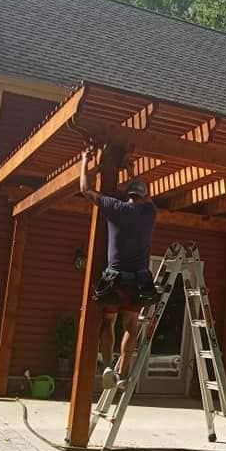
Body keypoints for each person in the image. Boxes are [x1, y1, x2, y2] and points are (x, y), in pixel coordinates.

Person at [80, 147, 157, 388]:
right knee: (131, 326)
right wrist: (131, 169)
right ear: (143, 196)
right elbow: (146, 196)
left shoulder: (115, 207)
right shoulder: (149, 213)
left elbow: (85, 189)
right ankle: (123, 372)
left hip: (114, 279)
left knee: (109, 322)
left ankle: (106, 368)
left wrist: (84, 162)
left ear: (127, 193)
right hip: (138, 281)